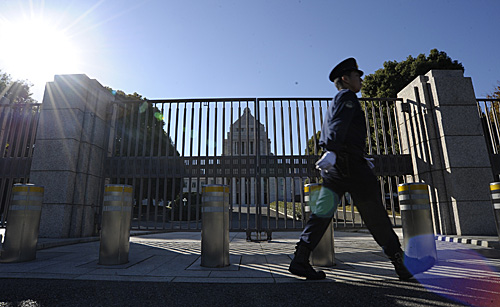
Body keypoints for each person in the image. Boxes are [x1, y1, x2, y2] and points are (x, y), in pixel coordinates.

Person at [288, 57, 434, 280]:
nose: (361, 80)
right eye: (358, 76)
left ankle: (300, 259)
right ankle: (402, 264)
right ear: (346, 79)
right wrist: (336, 150)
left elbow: (336, 127)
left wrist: (340, 152)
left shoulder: (337, 99)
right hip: (350, 167)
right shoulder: (347, 97)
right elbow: (340, 126)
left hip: (338, 168)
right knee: (375, 214)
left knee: (321, 214)